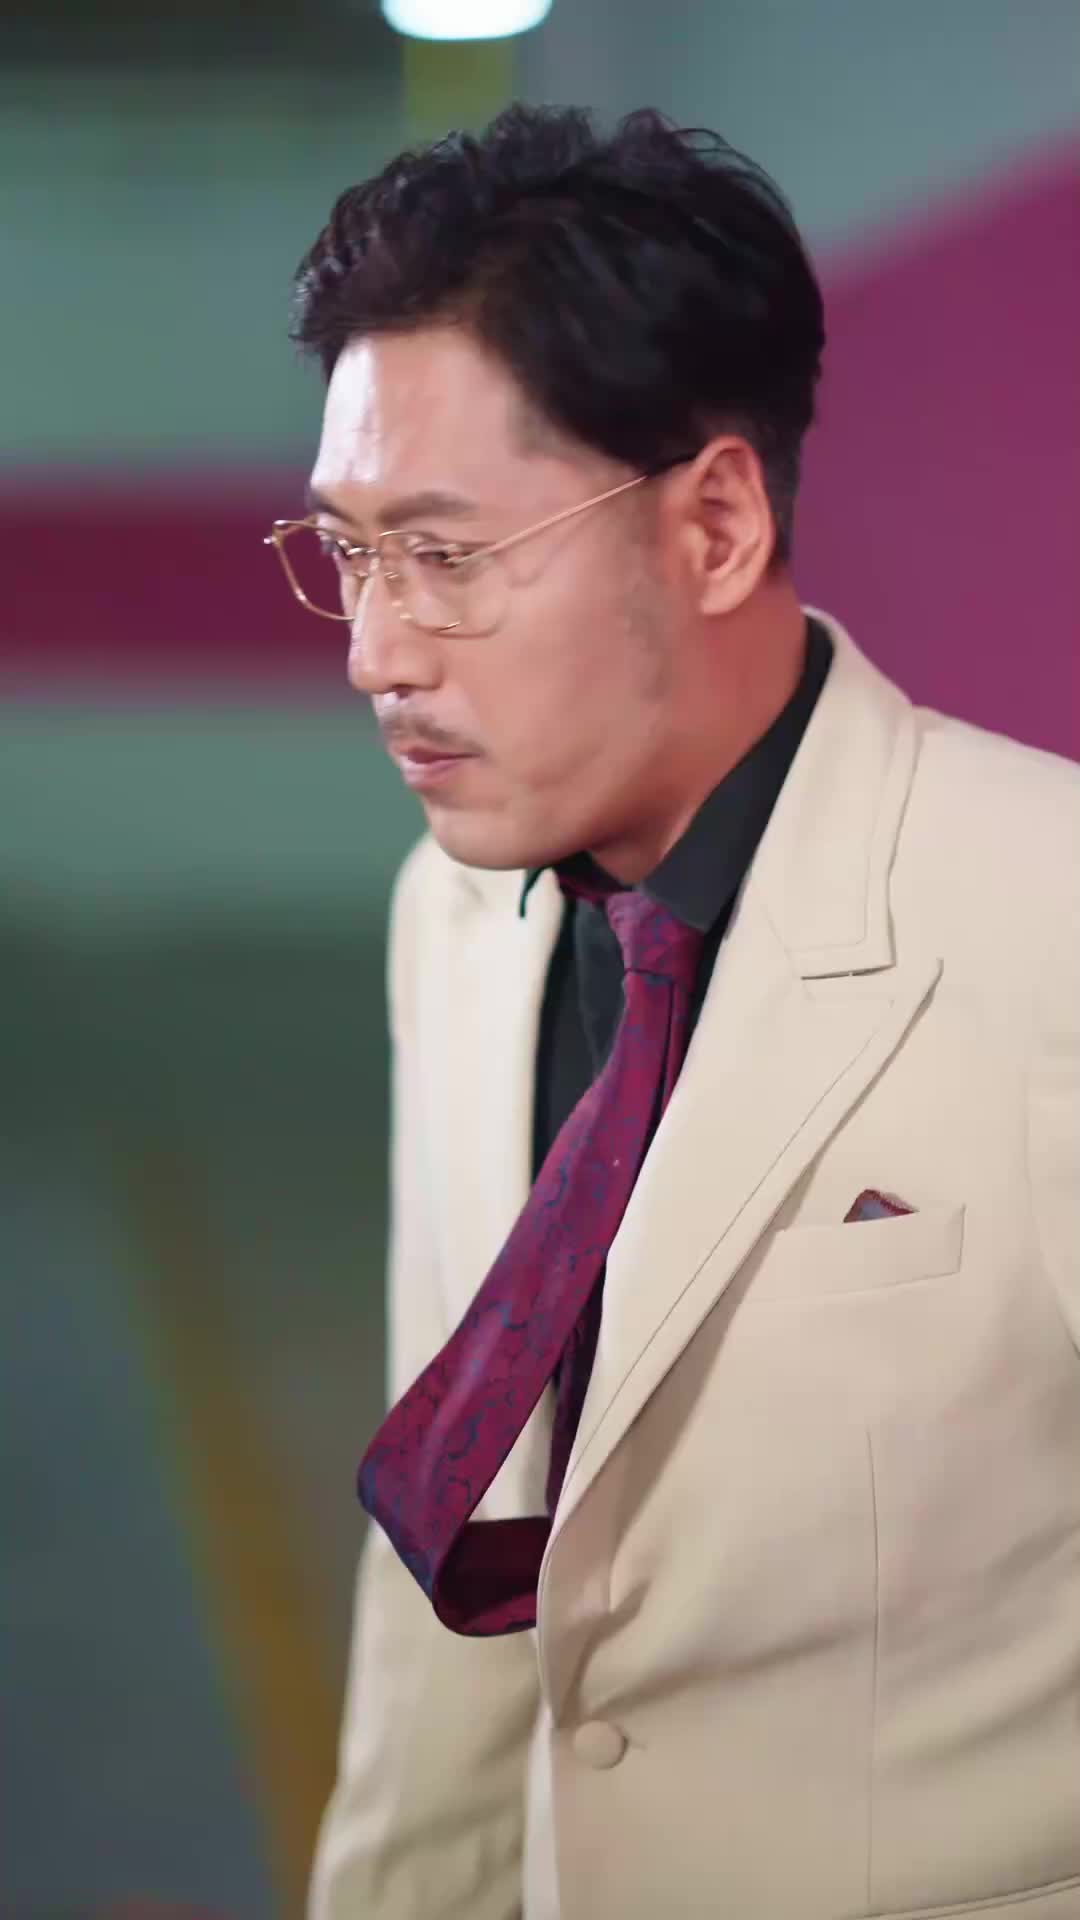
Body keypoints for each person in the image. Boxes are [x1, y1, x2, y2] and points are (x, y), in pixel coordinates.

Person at [270, 105, 1080, 1920]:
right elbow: (452, 1601)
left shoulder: (1051, 930)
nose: (376, 650)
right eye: (347, 552)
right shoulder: (451, 920)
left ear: (714, 524)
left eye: (446, 556)